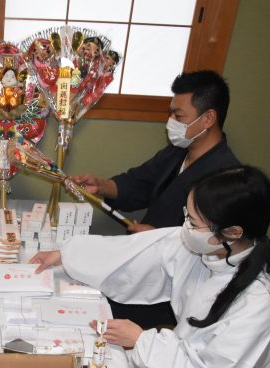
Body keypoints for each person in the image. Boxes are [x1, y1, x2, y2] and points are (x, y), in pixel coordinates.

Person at [30, 166, 270, 368]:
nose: (184, 228)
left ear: (233, 232)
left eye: (193, 222)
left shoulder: (259, 303)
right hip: (173, 359)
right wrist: (67, 255)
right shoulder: (209, 245)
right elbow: (133, 255)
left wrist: (141, 341)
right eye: (187, 215)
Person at [72, 70, 240, 328]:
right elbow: (139, 182)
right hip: (144, 256)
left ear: (208, 119)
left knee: (95, 310)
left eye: (178, 115)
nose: (170, 121)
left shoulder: (226, 178)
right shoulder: (176, 153)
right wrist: (102, 186)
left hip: (171, 286)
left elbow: (217, 247)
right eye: (170, 112)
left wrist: (161, 237)